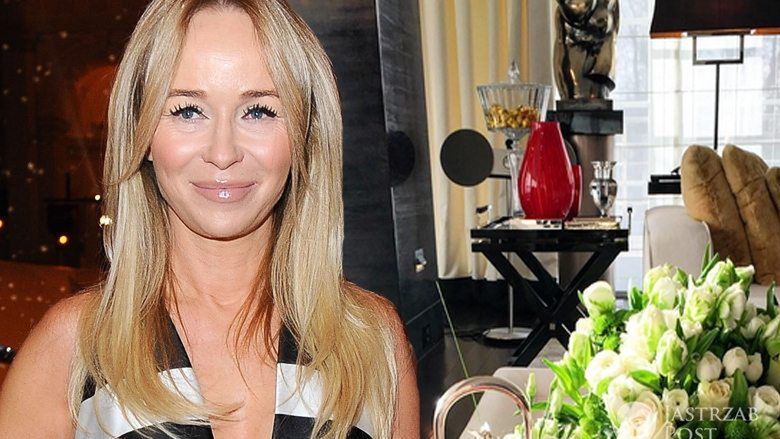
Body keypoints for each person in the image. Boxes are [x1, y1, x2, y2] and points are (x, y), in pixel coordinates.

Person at [0, 1, 419, 437]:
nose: (223, 152)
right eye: (187, 110)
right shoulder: (71, 349)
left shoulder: (370, 340)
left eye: (258, 111)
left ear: (305, 134)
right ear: (142, 133)